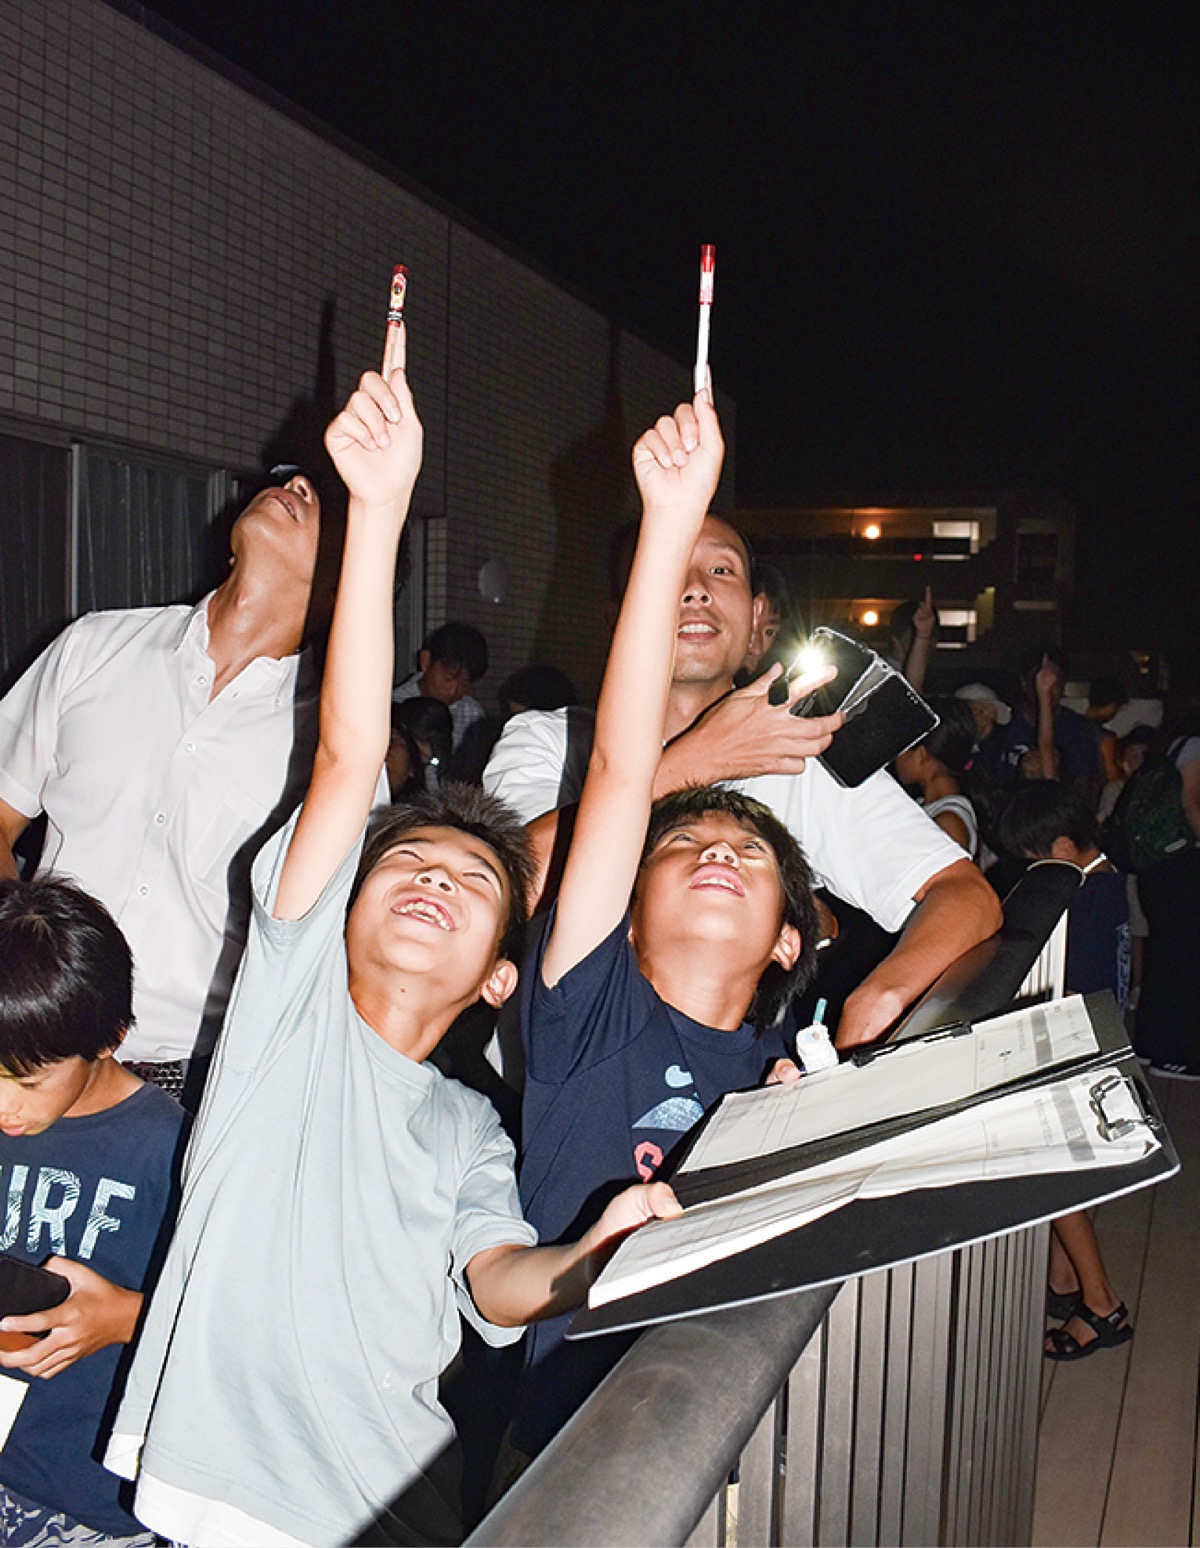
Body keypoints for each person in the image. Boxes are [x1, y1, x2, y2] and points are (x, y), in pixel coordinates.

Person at [105, 362, 677, 1547]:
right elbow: (347, 747)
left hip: (399, 1510)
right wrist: (377, 509)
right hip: (229, 1498)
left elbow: (499, 1282)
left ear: (498, 978)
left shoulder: (470, 1129)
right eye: (405, 866)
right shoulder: (284, 1010)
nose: (430, 878)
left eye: (472, 882)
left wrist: (590, 1254)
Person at [509, 387, 824, 1461]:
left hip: (745, 1411)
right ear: (625, 919)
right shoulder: (588, 1017)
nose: (721, 853)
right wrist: (672, 524)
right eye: (683, 848)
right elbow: (615, 771)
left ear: (789, 941)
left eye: (751, 855)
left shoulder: (786, 1066)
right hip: (580, 1440)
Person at [484, 532, 1000, 1054]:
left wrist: (882, 996)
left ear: (757, 618)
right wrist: (701, 760)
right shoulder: (548, 740)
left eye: (722, 571)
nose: (696, 589)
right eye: (667, 568)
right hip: (553, 1096)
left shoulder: (800, 756)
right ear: (621, 613)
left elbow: (965, 895)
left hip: (734, 1099)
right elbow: (507, 893)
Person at [0, 464, 338, 1104]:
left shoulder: (335, 751)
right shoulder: (96, 645)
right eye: (292, 478)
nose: (295, 486)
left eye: (323, 500)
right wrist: (21, 967)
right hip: (22, 1042)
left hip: (189, 1081)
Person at [0, 876, 187, 1543]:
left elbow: (238, 1322)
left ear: (109, 1038)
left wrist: (126, 1318)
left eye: (27, 1082)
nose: (4, 1107)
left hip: (87, 1498)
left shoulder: (171, 1150)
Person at [997, 780, 1134, 1358]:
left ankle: (1102, 1305)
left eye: (1031, 861)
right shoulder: (1108, 881)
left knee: (1060, 1173)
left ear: (1058, 844)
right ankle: (1063, 1278)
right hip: (1108, 1039)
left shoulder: (1082, 899)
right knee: (1079, 1173)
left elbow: (1068, 985)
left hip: (1080, 1048)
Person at [987, 644, 1102, 808]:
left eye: (1054, 682)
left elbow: (1086, 791)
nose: (1047, 689)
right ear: (1024, 683)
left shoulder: (1079, 730)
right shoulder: (1003, 723)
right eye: (1040, 680)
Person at [893, 697, 982, 858]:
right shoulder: (925, 807)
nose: (895, 756)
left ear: (921, 755)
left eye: (902, 748)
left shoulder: (949, 822)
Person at [394, 621, 489, 752]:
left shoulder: (472, 714)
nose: (453, 691)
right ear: (426, 661)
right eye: (448, 678)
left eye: (464, 684)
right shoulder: (395, 705)